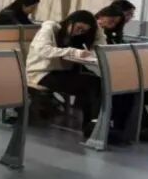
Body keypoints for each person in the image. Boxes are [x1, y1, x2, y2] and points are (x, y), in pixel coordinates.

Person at [26, 10, 112, 138]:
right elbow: (43, 50)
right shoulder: (49, 28)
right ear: (70, 22)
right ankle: (93, 126)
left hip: (63, 71)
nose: (79, 32)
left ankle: (92, 125)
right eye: (78, 28)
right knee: (91, 85)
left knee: (96, 83)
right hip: (41, 73)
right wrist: (73, 51)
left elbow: (101, 44)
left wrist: (97, 29)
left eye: (84, 31)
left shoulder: (79, 35)